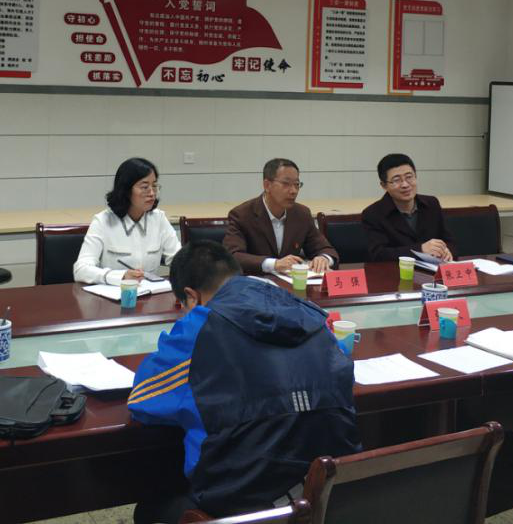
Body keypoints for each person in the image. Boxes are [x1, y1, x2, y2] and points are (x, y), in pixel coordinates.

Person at [128, 240, 360, 523]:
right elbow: (341, 365)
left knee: (151, 506)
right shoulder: (308, 312)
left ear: (191, 296)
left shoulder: (201, 326)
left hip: (246, 505)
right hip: (328, 495)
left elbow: (143, 400)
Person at [73, 157, 181, 285]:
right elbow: (81, 269)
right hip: (114, 294)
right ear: (126, 190)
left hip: (151, 293)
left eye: (154, 186)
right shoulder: (103, 221)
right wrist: (121, 276)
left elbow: (178, 259)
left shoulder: (159, 218)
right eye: (145, 187)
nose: (152, 193)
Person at [222, 158, 339, 275]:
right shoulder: (242, 215)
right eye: (286, 184)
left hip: (290, 283)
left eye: (297, 184)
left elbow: (326, 250)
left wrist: (324, 258)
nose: (293, 191)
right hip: (256, 282)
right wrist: (274, 264)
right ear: (267, 185)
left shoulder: (301, 214)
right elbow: (232, 256)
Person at [361, 153, 454, 262]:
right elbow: (378, 254)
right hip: (397, 271)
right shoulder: (373, 214)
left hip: (434, 269)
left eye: (409, 177)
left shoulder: (432, 204)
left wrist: (447, 251)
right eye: (396, 180)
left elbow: (450, 241)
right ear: (384, 185)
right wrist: (420, 249)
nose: (405, 184)